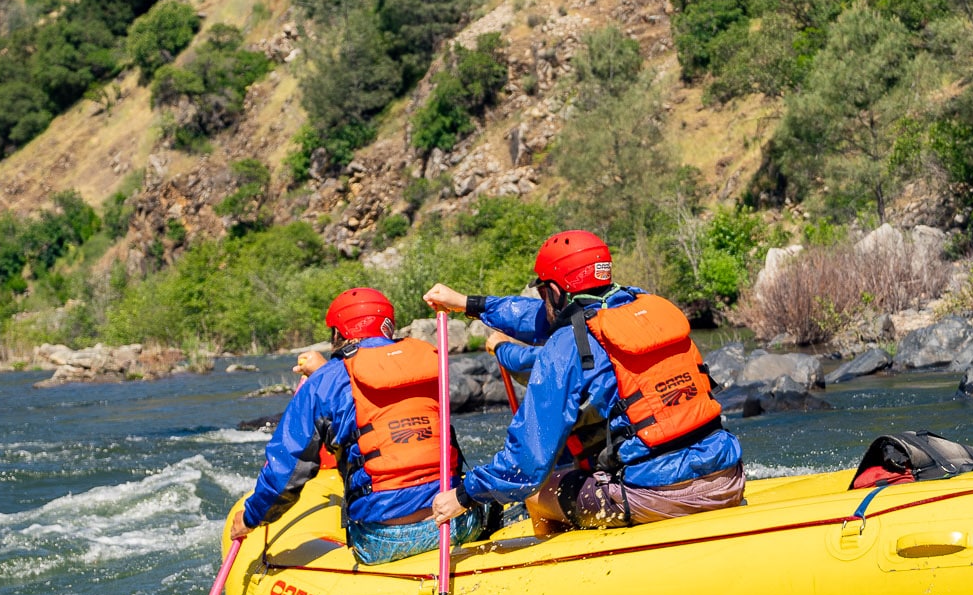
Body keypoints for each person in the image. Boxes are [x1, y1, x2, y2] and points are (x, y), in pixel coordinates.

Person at [423, 229, 746, 534]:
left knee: (536, 494)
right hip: (727, 476)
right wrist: (471, 305)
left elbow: (527, 465)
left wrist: (465, 494)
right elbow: (542, 315)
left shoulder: (567, 345)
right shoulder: (645, 306)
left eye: (542, 290)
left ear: (554, 290)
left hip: (657, 495)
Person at [229, 287, 499, 566]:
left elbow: (285, 473)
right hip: (457, 525)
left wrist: (251, 517)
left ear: (338, 334)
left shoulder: (324, 382)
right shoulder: (430, 360)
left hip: (383, 540)